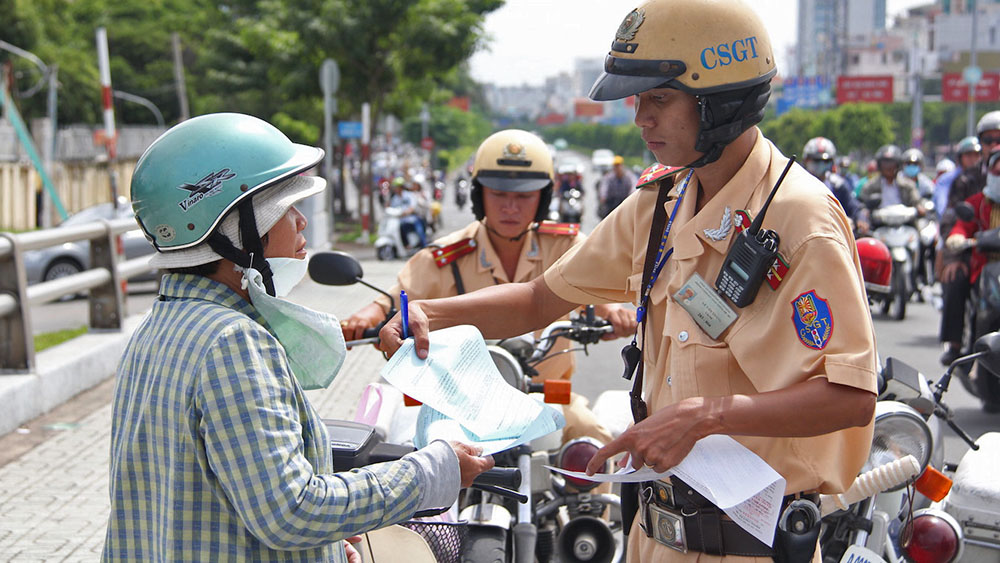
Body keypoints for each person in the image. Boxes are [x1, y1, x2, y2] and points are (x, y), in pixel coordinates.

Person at [376, 1, 877, 561]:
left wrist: (707, 415)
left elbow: (852, 397)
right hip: (652, 536)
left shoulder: (801, 219)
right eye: (639, 99)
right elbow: (541, 299)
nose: (641, 118)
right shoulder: (661, 203)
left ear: (721, 101)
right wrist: (430, 313)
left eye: (659, 98)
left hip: (752, 544)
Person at [103, 113, 493, 562]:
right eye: (287, 208)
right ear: (238, 230)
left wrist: (325, 544)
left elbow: (214, 495)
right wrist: (430, 471)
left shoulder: (160, 328)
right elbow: (291, 511)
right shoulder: (232, 343)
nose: (301, 222)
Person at [343, 128, 636, 445]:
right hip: (458, 404)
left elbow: (594, 281)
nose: (511, 207)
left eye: (524, 196)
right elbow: (394, 301)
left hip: (546, 396)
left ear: (543, 198)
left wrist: (612, 311)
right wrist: (366, 316)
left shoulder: (565, 245)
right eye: (499, 194)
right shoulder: (446, 256)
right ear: (479, 195)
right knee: (419, 458)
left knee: (592, 441)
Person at [944, 148, 1000, 412]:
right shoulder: (978, 201)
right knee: (955, 281)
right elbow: (960, 226)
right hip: (984, 269)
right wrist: (956, 238)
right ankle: (955, 345)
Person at [802, 137, 860, 223]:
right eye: (816, 161)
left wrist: (860, 219)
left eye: (826, 161)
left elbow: (854, 209)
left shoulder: (838, 186)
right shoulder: (797, 185)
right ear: (806, 161)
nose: (820, 165)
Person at [388, 176, 427, 248]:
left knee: (418, 227)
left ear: (401, 187)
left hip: (412, 217)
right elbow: (391, 209)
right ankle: (406, 246)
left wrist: (407, 212)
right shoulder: (394, 198)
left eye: (397, 187)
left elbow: (412, 207)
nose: (395, 189)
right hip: (401, 220)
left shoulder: (409, 195)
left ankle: (424, 245)